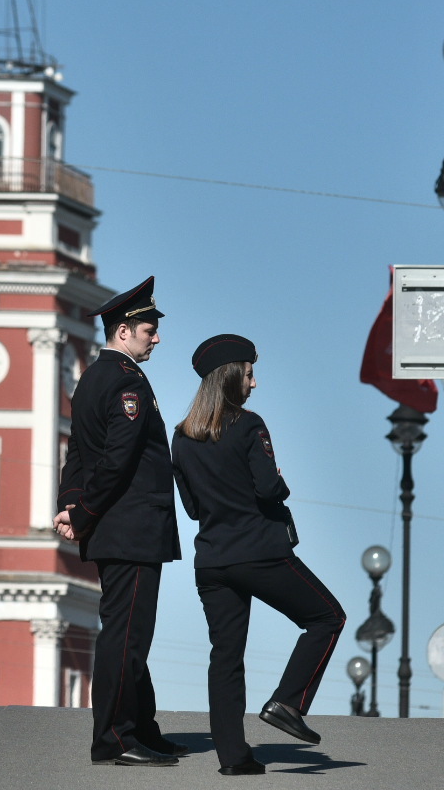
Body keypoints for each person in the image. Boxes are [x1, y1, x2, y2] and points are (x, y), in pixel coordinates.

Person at [171, 335, 344, 776]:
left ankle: (234, 758)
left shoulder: (182, 437)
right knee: (327, 617)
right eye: (249, 373)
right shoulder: (249, 425)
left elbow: (192, 508)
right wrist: (278, 482)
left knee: (225, 656)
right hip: (260, 553)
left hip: (212, 561)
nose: (255, 383)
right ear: (232, 377)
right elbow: (268, 488)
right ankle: (289, 702)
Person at [55, 276, 184, 767]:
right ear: (125, 330)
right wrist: (84, 514)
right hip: (130, 529)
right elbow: (115, 460)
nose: (157, 336)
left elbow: (77, 455)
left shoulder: (91, 378)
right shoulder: (127, 381)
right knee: (125, 638)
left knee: (130, 634)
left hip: (114, 528)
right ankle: (113, 738)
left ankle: (141, 729)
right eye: (150, 328)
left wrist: (71, 506)